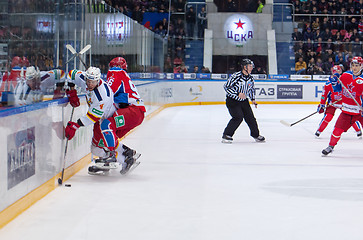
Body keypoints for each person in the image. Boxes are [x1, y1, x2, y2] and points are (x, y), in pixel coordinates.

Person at [65, 61, 144, 175]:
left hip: (106, 116)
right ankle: (124, 156)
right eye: (88, 81)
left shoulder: (103, 95)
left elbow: (92, 117)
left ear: (98, 80)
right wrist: (71, 90)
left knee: (106, 126)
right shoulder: (84, 78)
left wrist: (75, 126)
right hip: (102, 118)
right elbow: (72, 74)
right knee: (95, 149)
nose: (90, 84)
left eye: (93, 82)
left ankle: (114, 155)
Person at [322, 56, 363, 155]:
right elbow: (337, 89)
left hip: (360, 112)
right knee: (337, 130)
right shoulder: (345, 76)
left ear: (361, 66)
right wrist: (334, 82)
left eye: (357, 65)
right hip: (346, 111)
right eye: (353, 65)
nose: (354, 67)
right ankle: (330, 146)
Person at [222, 59, 265, 143]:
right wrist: (237, 93)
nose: (252, 67)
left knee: (251, 118)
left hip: (244, 101)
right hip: (232, 101)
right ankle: (226, 135)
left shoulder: (250, 78)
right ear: (244, 67)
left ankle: (256, 135)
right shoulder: (236, 76)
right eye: (250, 66)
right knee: (238, 117)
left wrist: (253, 99)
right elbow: (226, 87)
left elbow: (251, 89)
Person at [315, 65, 362, 138]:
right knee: (328, 117)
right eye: (334, 72)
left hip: (343, 103)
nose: (336, 73)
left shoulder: (345, 79)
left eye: (337, 71)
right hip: (332, 103)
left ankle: (358, 130)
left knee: (350, 117)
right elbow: (324, 95)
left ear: (340, 72)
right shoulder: (328, 84)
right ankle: (319, 131)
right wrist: (322, 104)